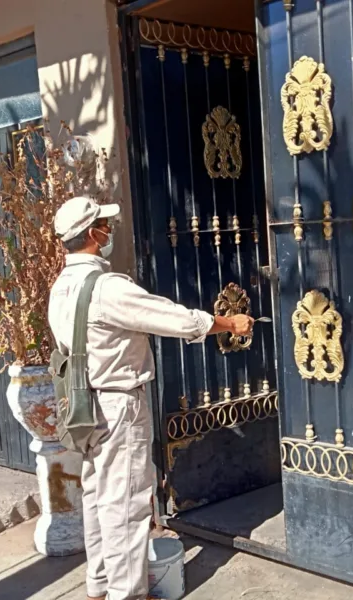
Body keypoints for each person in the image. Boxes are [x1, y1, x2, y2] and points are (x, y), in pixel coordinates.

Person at [48, 196, 253, 600]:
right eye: (104, 226)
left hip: (84, 405)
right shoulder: (107, 288)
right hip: (118, 404)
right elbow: (172, 318)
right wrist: (229, 322)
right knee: (126, 503)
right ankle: (127, 593)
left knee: (98, 496)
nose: (109, 230)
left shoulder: (61, 287)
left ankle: (100, 585)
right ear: (92, 234)